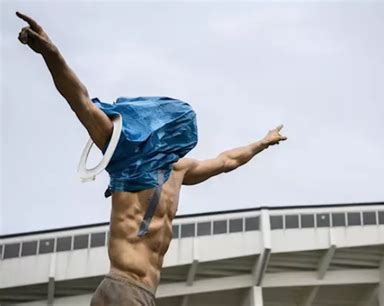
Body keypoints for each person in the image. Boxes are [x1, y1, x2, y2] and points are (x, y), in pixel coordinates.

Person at [16, 11, 287, 306]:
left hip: (136, 291)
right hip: (126, 286)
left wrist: (262, 143)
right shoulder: (126, 153)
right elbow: (78, 99)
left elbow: (226, 161)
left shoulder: (180, 169)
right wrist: (50, 52)